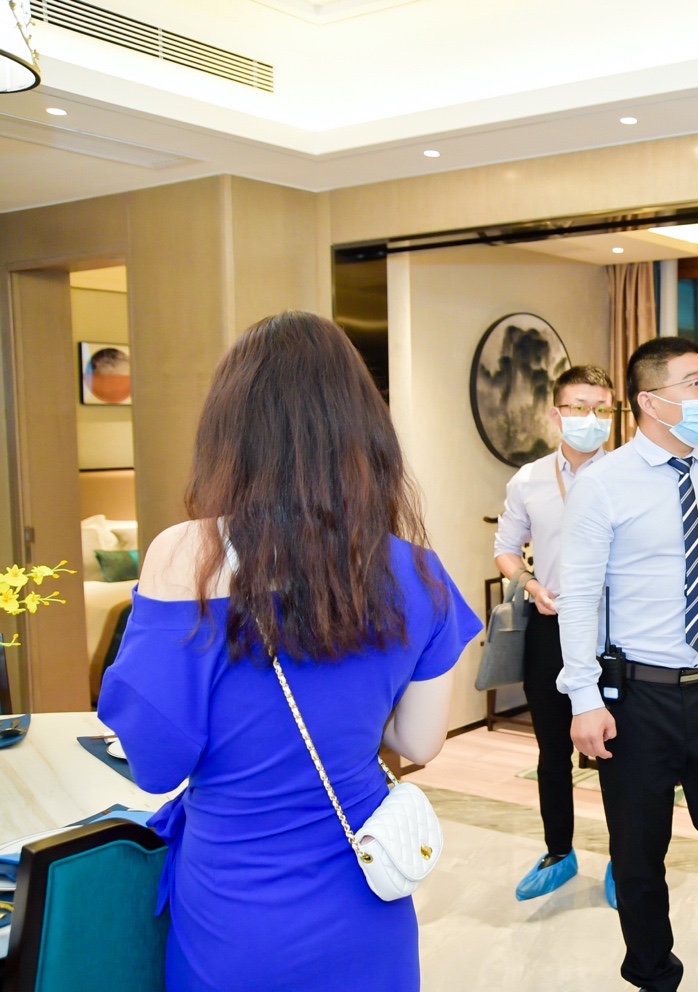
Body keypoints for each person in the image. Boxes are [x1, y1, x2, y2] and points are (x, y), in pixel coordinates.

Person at [97, 311, 482, 992]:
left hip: (236, 914)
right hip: (368, 905)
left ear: (229, 433)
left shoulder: (187, 556)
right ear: (361, 429)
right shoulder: (416, 572)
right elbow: (420, 742)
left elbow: (157, 763)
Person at [557, 336, 698, 992]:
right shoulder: (602, 485)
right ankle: (653, 975)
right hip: (638, 697)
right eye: (694, 383)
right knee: (638, 854)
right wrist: (583, 698)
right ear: (650, 401)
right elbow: (578, 596)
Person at [494, 364, 619, 903]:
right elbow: (505, 549)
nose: (590, 417)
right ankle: (558, 851)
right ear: (556, 413)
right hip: (550, 629)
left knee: (620, 754)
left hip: (614, 635)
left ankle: (625, 860)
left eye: (601, 408)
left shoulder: (627, 474)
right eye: (578, 407)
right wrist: (529, 583)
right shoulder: (528, 480)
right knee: (552, 749)